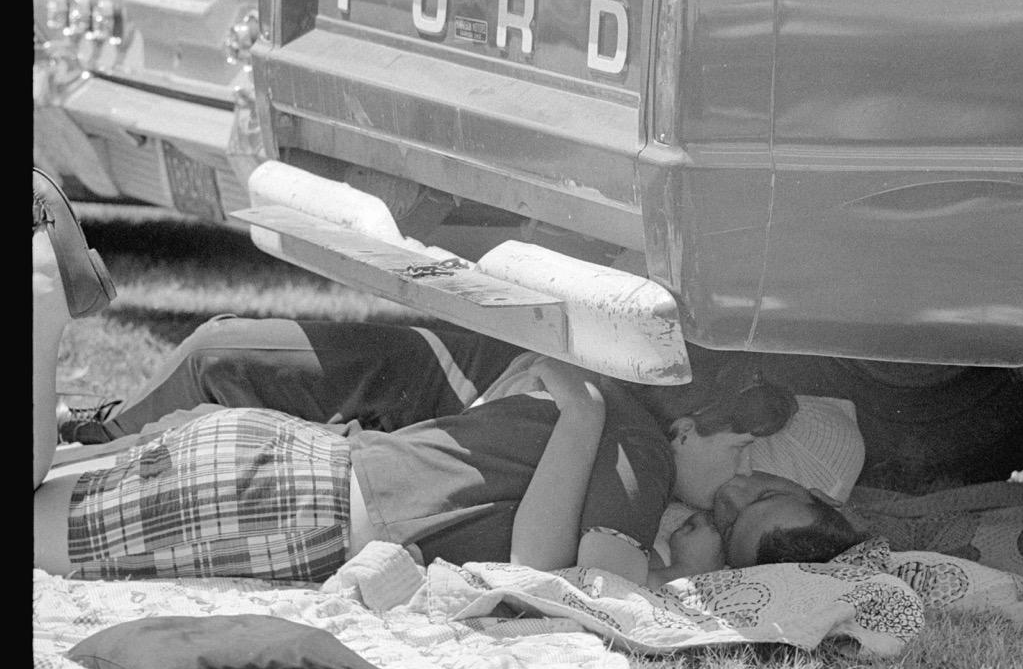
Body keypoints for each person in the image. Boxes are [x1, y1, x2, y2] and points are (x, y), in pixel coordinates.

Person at [34, 169, 861, 588]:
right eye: (749, 476)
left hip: (297, 464)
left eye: (732, 511)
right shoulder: (633, 451)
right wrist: (681, 568)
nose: (726, 491)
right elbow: (585, 583)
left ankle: (46, 313)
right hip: (301, 493)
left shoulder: (607, 423)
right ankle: (44, 309)